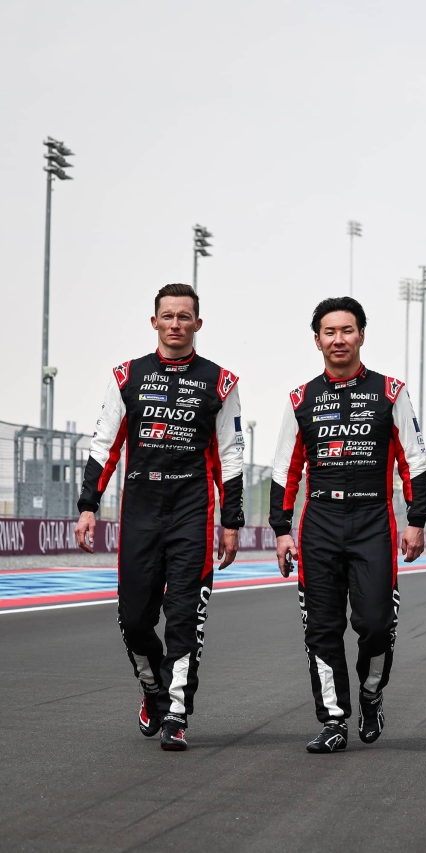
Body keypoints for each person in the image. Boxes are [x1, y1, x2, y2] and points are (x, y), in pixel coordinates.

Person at [74, 283, 244, 752]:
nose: (175, 324)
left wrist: (231, 521)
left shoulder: (221, 382)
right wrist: (88, 505)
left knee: (185, 619)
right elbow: (104, 446)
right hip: (141, 514)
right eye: (167, 316)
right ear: (154, 322)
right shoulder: (127, 376)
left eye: (184, 317)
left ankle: (176, 713)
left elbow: (230, 457)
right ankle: (152, 688)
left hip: (192, 514)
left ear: (197, 324)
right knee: (134, 621)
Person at [269, 296, 426, 754]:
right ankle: (334, 719)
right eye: (329, 332)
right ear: (317, 340)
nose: (338, 339)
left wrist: (416, 519)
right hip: (319, 522)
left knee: (376, 624)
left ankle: (371, 694)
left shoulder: (391, 392)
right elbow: (285, 469)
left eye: (347, 330)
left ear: (361, 335)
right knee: (321, 628)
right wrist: (281, 529)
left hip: (372, 520)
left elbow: (414, 459)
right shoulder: (301, 399)